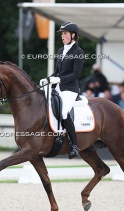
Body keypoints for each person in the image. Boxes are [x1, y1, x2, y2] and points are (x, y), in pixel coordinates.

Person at [48, 21, 84, 159]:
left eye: (65, 33)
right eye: (62, 34)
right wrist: (48, 79)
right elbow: (57, 71)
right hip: (58, 85)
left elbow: (75, 74)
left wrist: (60, 80)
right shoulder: (61, 50)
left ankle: (74, 144)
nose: (62, 36)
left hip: (70, 89)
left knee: (64, 112)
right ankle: (56, 133)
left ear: (73, 35)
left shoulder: (78, 52)